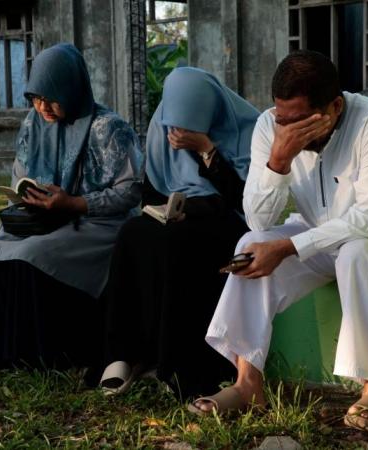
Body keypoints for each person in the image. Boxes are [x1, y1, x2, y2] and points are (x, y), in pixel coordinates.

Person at [189, 51, 368, 431]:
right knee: (250, 245)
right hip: (320, 231)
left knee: (356, 254)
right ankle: (247, 383)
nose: (289, 130)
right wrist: (277, 161)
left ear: (334, 106)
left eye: (301, 122)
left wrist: (289, 247)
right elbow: (259, 219)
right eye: (283, 120)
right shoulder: (271, 126)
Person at [0, 44, 144, 378]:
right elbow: (20, 179)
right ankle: (1, 358)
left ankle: (47, 359)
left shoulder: (109, 128)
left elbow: (131, 191)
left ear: (72, 89)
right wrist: (26, 206)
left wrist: (75, 203)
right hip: (44, 222)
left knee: (32, 253)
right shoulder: (34, 125)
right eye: (35, 98)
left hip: (96, 223)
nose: (42, 107)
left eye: (51, 98)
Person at [100, 67, 259, 399]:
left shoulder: (248, 129)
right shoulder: (163, 126)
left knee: (180, 244)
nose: (177, 133)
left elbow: (244, 199)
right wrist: (164, 211)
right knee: (133, 233)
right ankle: (126, 353)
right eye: (174, 124)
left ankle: (178, 362)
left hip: (226, 218)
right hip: (178, 216)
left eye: (187, 125)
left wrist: (205, 148)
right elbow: (153, 189)